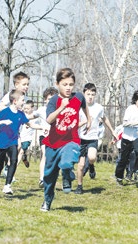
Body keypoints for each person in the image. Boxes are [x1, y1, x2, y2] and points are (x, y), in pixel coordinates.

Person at [40, 68, 91, 211]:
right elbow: (49, 120)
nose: (68, 88)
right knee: (49, 176)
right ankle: (47, 200)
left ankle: (67, 177)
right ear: (57, 84)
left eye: (71, 84)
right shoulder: (54, 101)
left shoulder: (79, 97)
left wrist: (89, 119)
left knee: (67, 161)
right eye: (65, 84)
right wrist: (61, 107)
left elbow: (84, 106)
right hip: (53, 142)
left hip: (71, 139)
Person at [0, 90, 41, 196]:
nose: (23, 103)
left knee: (14, 161)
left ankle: (7, 186)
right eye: (22, 100)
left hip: (13, 142)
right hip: (1, 143)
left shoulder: (21, 114)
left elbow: (30, 124)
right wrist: (3, 122)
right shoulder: (5, 112)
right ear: (15, 101)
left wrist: (42, 127)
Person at [75, 83, 117, 194]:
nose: (90, 97)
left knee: (92, 157)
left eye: (92, 94)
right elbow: (74, 124)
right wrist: (84, 122)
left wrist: (113, 131)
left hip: (92, 138)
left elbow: (104, 119)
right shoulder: (78, 107)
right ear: (84, 94)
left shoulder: (98, 108)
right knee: (80, 165)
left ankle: (92, 165)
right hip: (80, 138)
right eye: (88, 94)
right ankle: (79, 186)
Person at [115, 89, 138, 186]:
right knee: (124, 159)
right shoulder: (130, 109)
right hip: (127, 137)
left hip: (137, 137)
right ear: (135, 100)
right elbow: (125, 124)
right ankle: (119, 177)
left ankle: (137, 172)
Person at [30, 87, 59, 188]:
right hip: (44, 136)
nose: (51, 101)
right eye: (49, 99)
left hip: (56, 137)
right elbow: (31, 116)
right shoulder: (42, 110)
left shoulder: (59, 110)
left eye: (53, 99)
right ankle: (42, 178)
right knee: (45, 155)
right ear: (45, 99)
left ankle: (55, 177)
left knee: (55, 158)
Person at [17, 100, 42, 169]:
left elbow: (40, 124)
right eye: (25, 108)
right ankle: (24, 158)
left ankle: (14, 168)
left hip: (27, 138)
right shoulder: (22, 114)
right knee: (16, 151)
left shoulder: (35, 116)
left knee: (21, 151)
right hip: (19, 136)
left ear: (32, 108)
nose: (26, 110)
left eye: (27, 109)